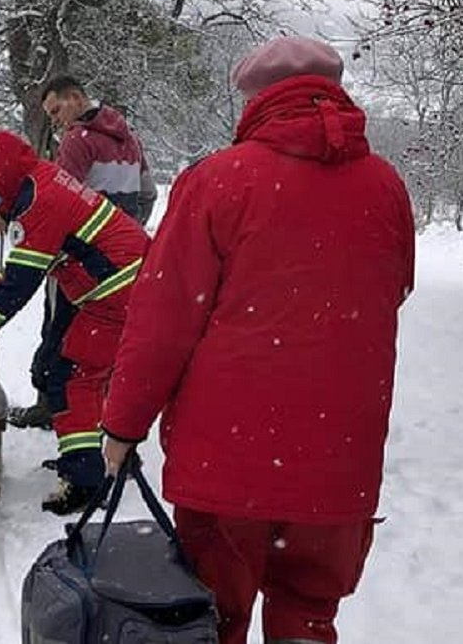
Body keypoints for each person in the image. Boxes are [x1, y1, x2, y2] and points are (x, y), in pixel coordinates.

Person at [100, 37, 416, 644]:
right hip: (339, 459)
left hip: (227, 459)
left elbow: (161, 321)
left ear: (256, 99)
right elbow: (394, 287)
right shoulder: (386, 188)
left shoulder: (219, 180)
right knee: (308, 612)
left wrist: (122, 425)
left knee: (215, 616)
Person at [0, 129, 149, 514]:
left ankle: (86, 479)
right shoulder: (37, 181)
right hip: (110, 286)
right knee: (63, 369)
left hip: (119, 291)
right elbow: (29, 260)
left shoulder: (41, 202)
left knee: (74, 375)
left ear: (3, 174)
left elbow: (19, 287)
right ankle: (104, 457)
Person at [4, 75, 159, 431]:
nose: (55, 119)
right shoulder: (130, 140)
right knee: (103, 338)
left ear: (75, 98)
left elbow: (56, 201)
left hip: (77, 260)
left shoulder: (78, 140)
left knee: (58, 330)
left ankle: (50, 407)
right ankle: (98, 407)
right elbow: (148, 193)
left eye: (56, 110)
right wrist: (128, 230)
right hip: (123, 265)